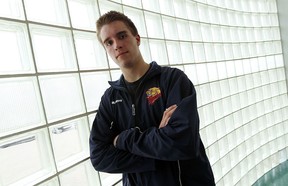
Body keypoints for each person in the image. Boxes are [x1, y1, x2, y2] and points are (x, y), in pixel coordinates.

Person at [89, 10, 215, 186]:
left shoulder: (173, 80)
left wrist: (122, 140)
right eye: (109, 42)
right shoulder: (110, 99)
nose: (117, 44)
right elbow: (99, 157)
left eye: (122, 35)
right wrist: (159, 146)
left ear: (137, 39)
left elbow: (182, 142)